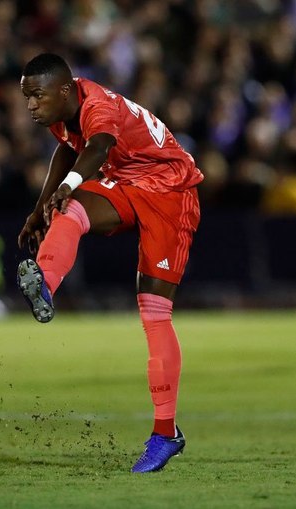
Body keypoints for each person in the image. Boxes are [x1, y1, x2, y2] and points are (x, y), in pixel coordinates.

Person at [14, 53, 204, 473]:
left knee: (155, 312)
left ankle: (165, 433)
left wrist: (66, 186)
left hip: (171, 190)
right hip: (128, 182)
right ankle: (44, 281)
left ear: (64, 90)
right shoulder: (65, 109)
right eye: (27, 97)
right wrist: (39, 207)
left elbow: (99, 146)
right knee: (69, 209)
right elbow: (68, 151)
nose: (30, 105)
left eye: (37, 96)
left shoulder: (96, 104)